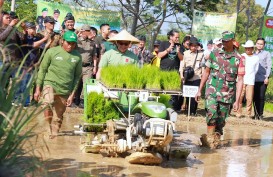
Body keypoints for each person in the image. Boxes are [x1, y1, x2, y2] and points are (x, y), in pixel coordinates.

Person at [195, 31, 244, 149]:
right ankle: (209, 141)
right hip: (212, 90)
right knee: (211, 114)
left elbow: (240, 80)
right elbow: (206, 72)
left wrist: (237, 101)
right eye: (223, 41)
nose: (224, 43)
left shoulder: (239, 59)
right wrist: (199, 89)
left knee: (220, 121)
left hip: (227, 94)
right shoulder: (214, 54)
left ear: (233, 40)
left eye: (227, 41)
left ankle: (215, 139)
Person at [34, 31, 82, 139]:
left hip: (65, 88)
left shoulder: (77, 57)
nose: (70, 45)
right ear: (62, 41)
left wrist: (72, 94)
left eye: (73, 43)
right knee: (47, 103)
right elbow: (42, 70)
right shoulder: (52, 52)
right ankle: (47, 128)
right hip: (50, 83)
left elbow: (77, 76)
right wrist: (38, 88)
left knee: (58, 116)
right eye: (68, 42)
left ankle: (55, 132)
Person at [157, 29, 183, 112]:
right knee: (163, 90)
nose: (177, 39)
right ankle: (161, 108)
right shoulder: (164, 43)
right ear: (171, 37)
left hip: (174, 73)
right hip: (163, 71)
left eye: (178, 37)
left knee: (173, 93)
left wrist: (178, 52)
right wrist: (168, 49)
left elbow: (182, 59)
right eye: (176, 37)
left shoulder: (179, 46)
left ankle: (171, 110)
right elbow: (159, 55)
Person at [73, 24, 97, 107]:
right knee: (75, 84)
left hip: (88, 67)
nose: (86, 33)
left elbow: (94, 55)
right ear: (82, 31)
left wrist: (95, 67)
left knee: (86, 84)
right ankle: (75, 99)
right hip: (77, 66)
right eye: (85, 31)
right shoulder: (76, 41)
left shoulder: (92, 43)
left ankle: (83, 101)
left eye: (88, 31)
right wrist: (77, 35)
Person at [180, 37, 204, 116]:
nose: (194, 47)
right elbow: (182, 65)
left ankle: (193, 111)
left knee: (195, 95)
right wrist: (182, 76)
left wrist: (203, 77)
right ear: (189, 46)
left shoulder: (201, 54)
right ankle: (188, 110)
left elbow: (202, 67)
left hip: (197, 77)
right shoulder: (185, 53)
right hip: (187, 77)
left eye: (195, 46)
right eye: (192, 46)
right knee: (188, 95)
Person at [237, 40, 259, 118]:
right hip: (241, 79)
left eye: (249, 48)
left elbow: (256, 69)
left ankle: (248, 114)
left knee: (249, 98)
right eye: (246, 48)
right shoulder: (242, 56)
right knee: (240, 96)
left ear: (252, 48)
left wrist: (251, 75)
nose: (247, 50)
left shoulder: (256, 58)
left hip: (251, 80)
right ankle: (238, 112)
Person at [253, 38, 272, 119]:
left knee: (261, 97)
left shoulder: (266, 54)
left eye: (261, 44)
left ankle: (260, 115)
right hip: (253, 79)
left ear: (264, 45)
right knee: (254, 97)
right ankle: (255, 114)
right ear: (256, 44)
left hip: (263, 79)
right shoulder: (253, 54)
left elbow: (269, 66)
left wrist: (267, 77)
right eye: (258, 43)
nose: (259, 45)